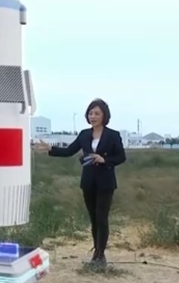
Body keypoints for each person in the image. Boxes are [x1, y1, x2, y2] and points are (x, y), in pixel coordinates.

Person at [42, 98, 126, 266]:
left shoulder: (113, 135)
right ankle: (96, 253)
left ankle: (101, 255)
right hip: (88, 181)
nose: (92, 116)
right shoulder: (84, 134)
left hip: (105, 182)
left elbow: (121, 157)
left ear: (104, 116)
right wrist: (50, 149)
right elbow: (69, 151)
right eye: (90, 113)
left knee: (102, 217)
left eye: (97, 113)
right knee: (93, 218)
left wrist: (104, 159)